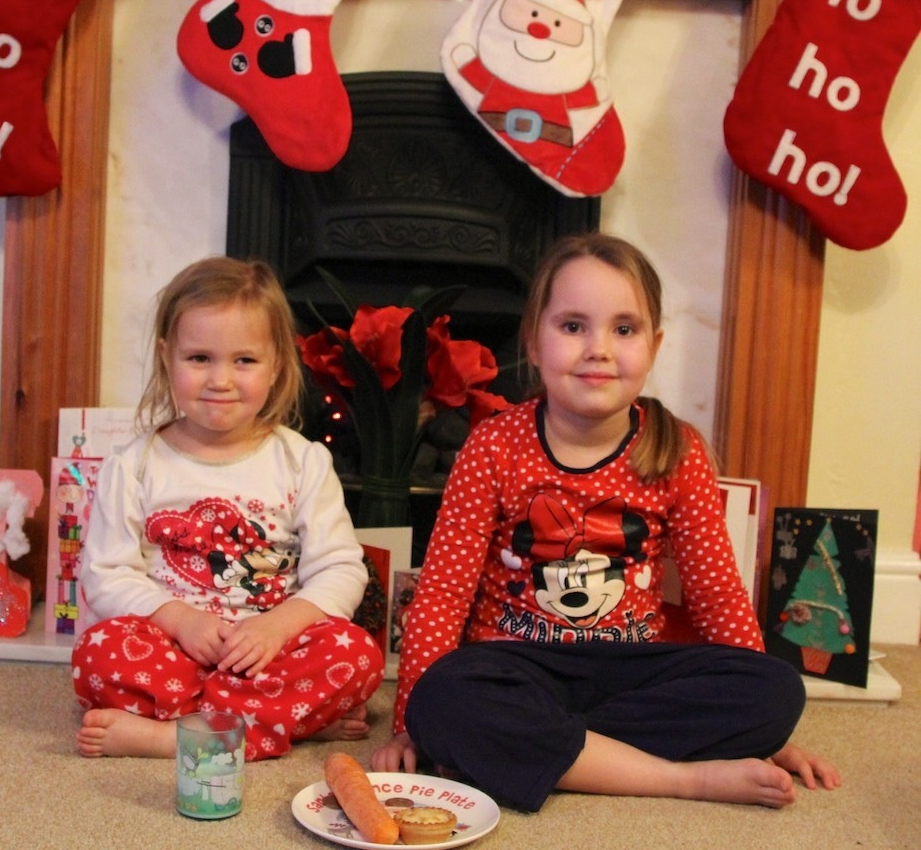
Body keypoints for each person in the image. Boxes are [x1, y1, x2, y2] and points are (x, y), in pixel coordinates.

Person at [371, 233, 840, 811]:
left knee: (775, 690)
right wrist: (408, 722)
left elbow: (717, 595)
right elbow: (443, 593)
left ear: (654, 345)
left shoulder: (678, 451)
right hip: (516, 665)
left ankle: (536, 749)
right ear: (534, 341)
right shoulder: (493, 445)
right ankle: (679, 778)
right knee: (442, 700)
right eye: (573, 326)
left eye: (624, 329)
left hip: (630, 669)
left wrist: (772, 736)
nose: (599, 349)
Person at [74, 256, 383, 760]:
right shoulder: (133, 465)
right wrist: (180, 620)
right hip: (173, 649)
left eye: (244, 361)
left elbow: (341, 569)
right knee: (98, 654)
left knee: (357, 655)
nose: (220, 379)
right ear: (166, 357)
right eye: (199, 358)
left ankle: (177, 734)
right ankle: (281, 722)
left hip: (271, 652)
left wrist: (278, 625)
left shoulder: (302, 461)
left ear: (277, 364)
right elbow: (107, 573)